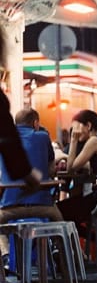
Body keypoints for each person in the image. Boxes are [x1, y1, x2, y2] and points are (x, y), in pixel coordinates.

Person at [0, 108, 61, 266]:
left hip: (11, 208)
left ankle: (6, 256)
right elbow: (51, 169)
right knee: (59, 219)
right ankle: (62, 253)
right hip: (42, 206)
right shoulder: (42, 136)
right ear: (35, 123)